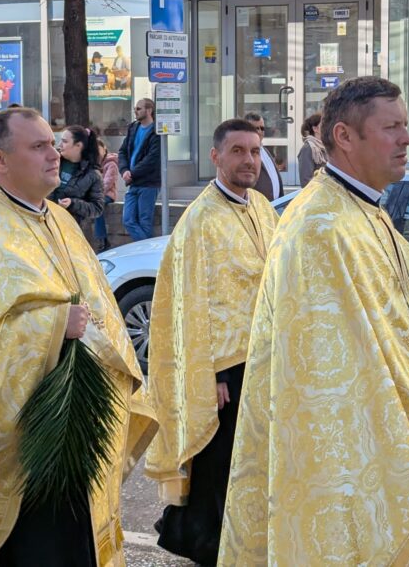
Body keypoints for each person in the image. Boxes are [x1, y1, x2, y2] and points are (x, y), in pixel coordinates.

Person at [220, 77, 409, 566]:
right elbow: (324, 384)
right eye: (391, 127)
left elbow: (389, 328)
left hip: (384, 446)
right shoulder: (321, 228)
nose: (407, 138)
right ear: (345, 137)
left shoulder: (365, 211)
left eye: (405, 126)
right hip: (349, 467)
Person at [0, 107, 155, 566]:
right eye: (39, 146)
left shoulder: (60, 220)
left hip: (77, 410)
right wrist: (51, 327)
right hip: (25, 432)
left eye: (53, 143)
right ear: (0, 161)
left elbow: (96, 302)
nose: (54, 155)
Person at [147, 118, 279, 566]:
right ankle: (210, 545)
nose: (249, 160)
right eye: (239, 151)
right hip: (225, 368)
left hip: (264, 357)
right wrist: (213, 374)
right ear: (216, 157)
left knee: (253, 459)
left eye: (256, 151)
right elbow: (190, 301)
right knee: (220, 462)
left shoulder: (262, 207)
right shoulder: (200, 220)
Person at [117, 99, 161, 241]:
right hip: (132, 182)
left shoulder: (156, 131)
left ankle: (145, 253)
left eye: (139, 108)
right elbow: (123, 151)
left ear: (149, 110)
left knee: (144, 221)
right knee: (128, 220)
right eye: (135, 108)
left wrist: (132, 173)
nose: (135, 111)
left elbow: (152, 159)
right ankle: (146, 248)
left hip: (148, 183)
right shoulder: (133, 128)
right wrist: (124, 171)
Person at [51, 125, 104, 227]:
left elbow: (97, 209)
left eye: (65, 142)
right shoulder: (52, 161)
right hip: (43, 222)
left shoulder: (93, 175)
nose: (60, 145)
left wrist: (73, 204)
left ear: (78, 145)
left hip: (69, 227)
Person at [243, 112, 284, 200]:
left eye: (262, 128)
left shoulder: (264, 150)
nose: (259, 131)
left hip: (275, 206)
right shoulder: (245, 155)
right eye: (255, 128)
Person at [94, 138, 120, 252]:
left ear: (104, 149)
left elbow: (108, 183)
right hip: (96, 195)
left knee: (97, 208)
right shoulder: (92, 163)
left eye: (99, 149)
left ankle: (102, 240)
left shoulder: (111, 164)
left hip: (108, 194)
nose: (97, 152)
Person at [296, 112, 326, 187]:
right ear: (315, 129)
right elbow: (306, 181)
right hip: (317, 195)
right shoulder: (308, 148)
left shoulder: (325, 146)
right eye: (324, 124)